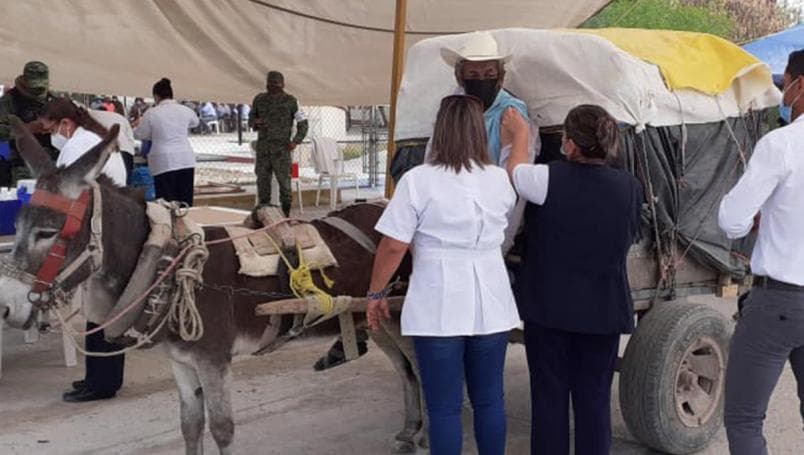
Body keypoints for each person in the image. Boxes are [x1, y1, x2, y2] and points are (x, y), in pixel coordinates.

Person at [366, 95, 520, 455]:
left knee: (444, 407)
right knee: (489, 401)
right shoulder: (498, 179)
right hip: (491, 301)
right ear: (480, 133)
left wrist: (375, 293)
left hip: (439, 302)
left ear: (440, 131)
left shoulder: (418, 180)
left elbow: (393, 246)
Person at [504, 104, 642, 455]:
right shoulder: (630, 186)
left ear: (570, 144)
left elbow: (514, 170)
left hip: (549, 310)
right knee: (594, 400)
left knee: (549, 398)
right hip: (603, 311)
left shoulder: (547, 178)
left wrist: (521, 133)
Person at [718, 50, 804, 455]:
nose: (782, 90)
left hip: (779, 301)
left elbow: (732, 220)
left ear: (800, 84)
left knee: (745, 418)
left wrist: (760, 214)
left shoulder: (783, 144)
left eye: (784, 80)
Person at [39, 97, 127, 402]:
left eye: (52, 128)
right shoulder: (92, 138)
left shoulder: (78, 147)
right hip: (108, 227)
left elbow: (62, 193)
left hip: (99, 232)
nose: (53, 136)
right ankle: (97, 378)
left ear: (65, 124)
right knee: (98, 308)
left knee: (101, 309)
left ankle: (103, 383)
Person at [249, 71, 308, 216]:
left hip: (282, 150)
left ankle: (286, 215)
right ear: (267, 84)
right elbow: (251, 119)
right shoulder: (259, 99)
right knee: (263, 183)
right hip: (263, 149)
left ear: (283, 84)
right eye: (271, 83)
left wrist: (296, 141)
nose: (274, 86)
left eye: (277, 83)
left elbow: (303, 123)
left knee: (285, 186)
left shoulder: (291, 101)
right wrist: (255, 122)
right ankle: (264, 215)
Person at [133, 78, 199, 206]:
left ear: (156, 96)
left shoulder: (151, 113)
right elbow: (195, 122)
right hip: (185, 159)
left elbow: (141, 134)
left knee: (167, 203)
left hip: (163, 161)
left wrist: (136, 127)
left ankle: (169, 225)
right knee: (185, 202)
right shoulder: (185, 110)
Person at [0, 61, 57, 186]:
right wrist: (26, 129)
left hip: (52, 165)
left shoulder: (53, 100)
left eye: (41, 88)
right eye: (34, 88)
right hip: (22, 167)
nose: (37, 92)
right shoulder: (9, 101)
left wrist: (56, 128)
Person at [89, 108, 137, 181]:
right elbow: (130, 138)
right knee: (125, 182)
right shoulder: (120, 118)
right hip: (126, 150)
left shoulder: (91, 116)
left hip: (107, 150)